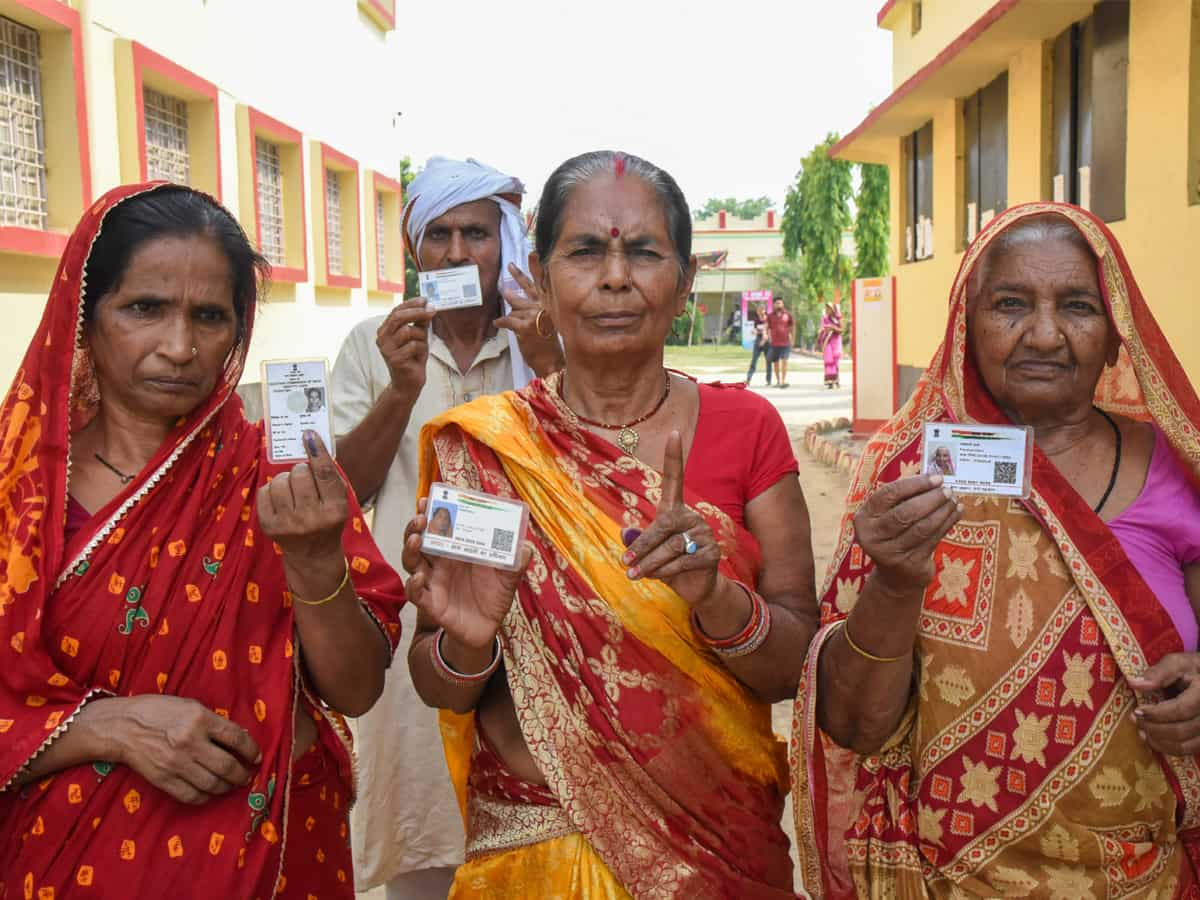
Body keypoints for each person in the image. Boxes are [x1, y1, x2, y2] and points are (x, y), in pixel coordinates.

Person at [403, 150, 819, 898]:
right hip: (535, 857)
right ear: (539, 271)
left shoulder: (746, 427)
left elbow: (796, 667)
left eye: (646, 252)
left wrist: (718, 601)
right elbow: (439, 683)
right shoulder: (490, 445)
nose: (616, 278)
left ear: (685, 279)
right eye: (586, 251)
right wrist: (466, 640)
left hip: (715, 857)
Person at [0, 184, 404, 898]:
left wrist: (313, 561)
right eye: (144, 309)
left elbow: (357, 687)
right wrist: (107, 727)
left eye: (210, 317)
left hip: (273, 861)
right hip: (63, 867)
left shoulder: (280, 473)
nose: (181, 347)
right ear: (84, 320)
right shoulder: (17, 492)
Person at [791, 204, 1200, 898]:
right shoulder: (907, 477)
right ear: (966, 326)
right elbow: (855, 725)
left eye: (1077, 306)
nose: (1044, 334)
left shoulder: (1179, 470)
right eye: (1011, 304)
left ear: (1115, 338)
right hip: (950, 879)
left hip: (1139, 877)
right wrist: (895, 581)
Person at [330, 156, 565, 899]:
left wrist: (551, 362)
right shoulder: (375, 344)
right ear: (415, 251)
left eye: (477, 233)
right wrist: (400, 392)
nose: (458, 253)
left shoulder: (545, 343)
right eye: (439, 235)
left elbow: (593, 469)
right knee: (423, 832)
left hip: (534, 623)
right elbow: (344, 492)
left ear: (507, 247)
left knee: (539, 826)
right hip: (419, 627)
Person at [767, 299, 795, 388]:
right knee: (775, 363)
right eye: (776, 303)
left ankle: (783, 381)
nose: (778, 305)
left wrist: (792, 338)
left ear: (783, 304)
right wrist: (768, 337)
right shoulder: (770, 316)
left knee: (784, 361)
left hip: (785, 342)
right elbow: (768, 327)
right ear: (774, 305)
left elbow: (792, 326)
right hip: (774, 343)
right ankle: (778, 381)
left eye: (780, 303)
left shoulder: (788, 315)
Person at [817, 300, 843, 389]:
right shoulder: (824, 318)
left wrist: (833, 328)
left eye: (829, 308)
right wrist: (823, 330)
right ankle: (830, 382)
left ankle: (837, 380)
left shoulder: (838, 318)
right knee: (829, 361)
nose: (827, 310)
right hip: (827, 341)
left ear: (833, 309)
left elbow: (841, 330)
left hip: (836, 341)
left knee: (835, 361)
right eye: (826, 308)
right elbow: (821, 328)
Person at [746, 303, 772, 386]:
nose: (759, 312)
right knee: (754, 360)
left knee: (768, 361)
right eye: (757, 310)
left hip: (767, 341)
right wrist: (754, 331)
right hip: (758, 340)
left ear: (764, 310)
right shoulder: (756, 319)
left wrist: (764, 340)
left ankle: (769, 380)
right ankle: (748, 379)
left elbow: (767, 331)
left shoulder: (768, 319)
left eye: (760, 310)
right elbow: (757, 329)